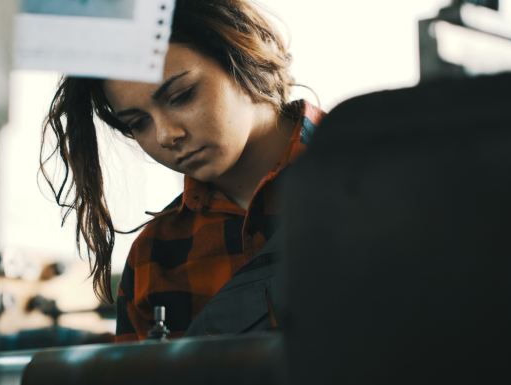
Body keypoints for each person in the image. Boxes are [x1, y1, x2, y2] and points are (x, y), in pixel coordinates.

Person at [40, 0, 325, 342]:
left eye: (182, 95)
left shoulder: (385, 176)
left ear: (242, 54)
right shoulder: (154, 257)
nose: (165, 135)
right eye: (138, 123)